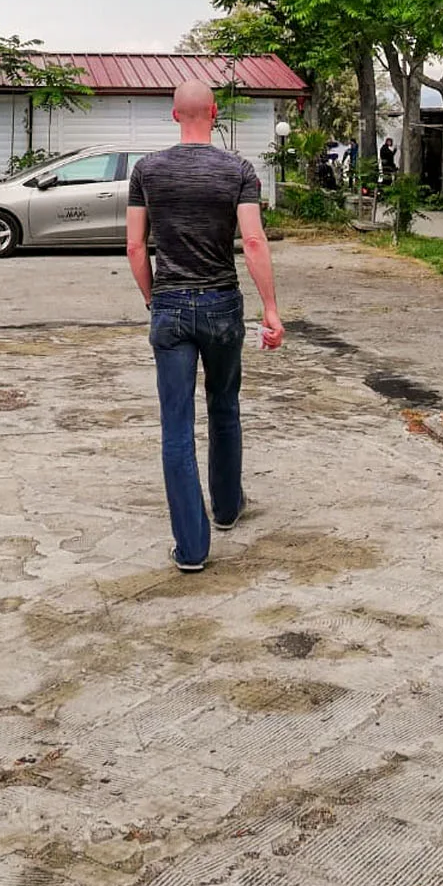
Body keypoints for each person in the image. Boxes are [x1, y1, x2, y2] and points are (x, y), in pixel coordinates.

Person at [127, 81, 285, 572]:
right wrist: (271, 309)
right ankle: (227, 508)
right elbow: (253, 242)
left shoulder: (147, 170)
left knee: (176, 425)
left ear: (175, 114)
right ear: (214, 112)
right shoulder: (238, 170)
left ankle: (192, 549)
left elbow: (134, 247)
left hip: (171, 306)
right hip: (222, 305)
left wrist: (154, 298)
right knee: (224, 405)